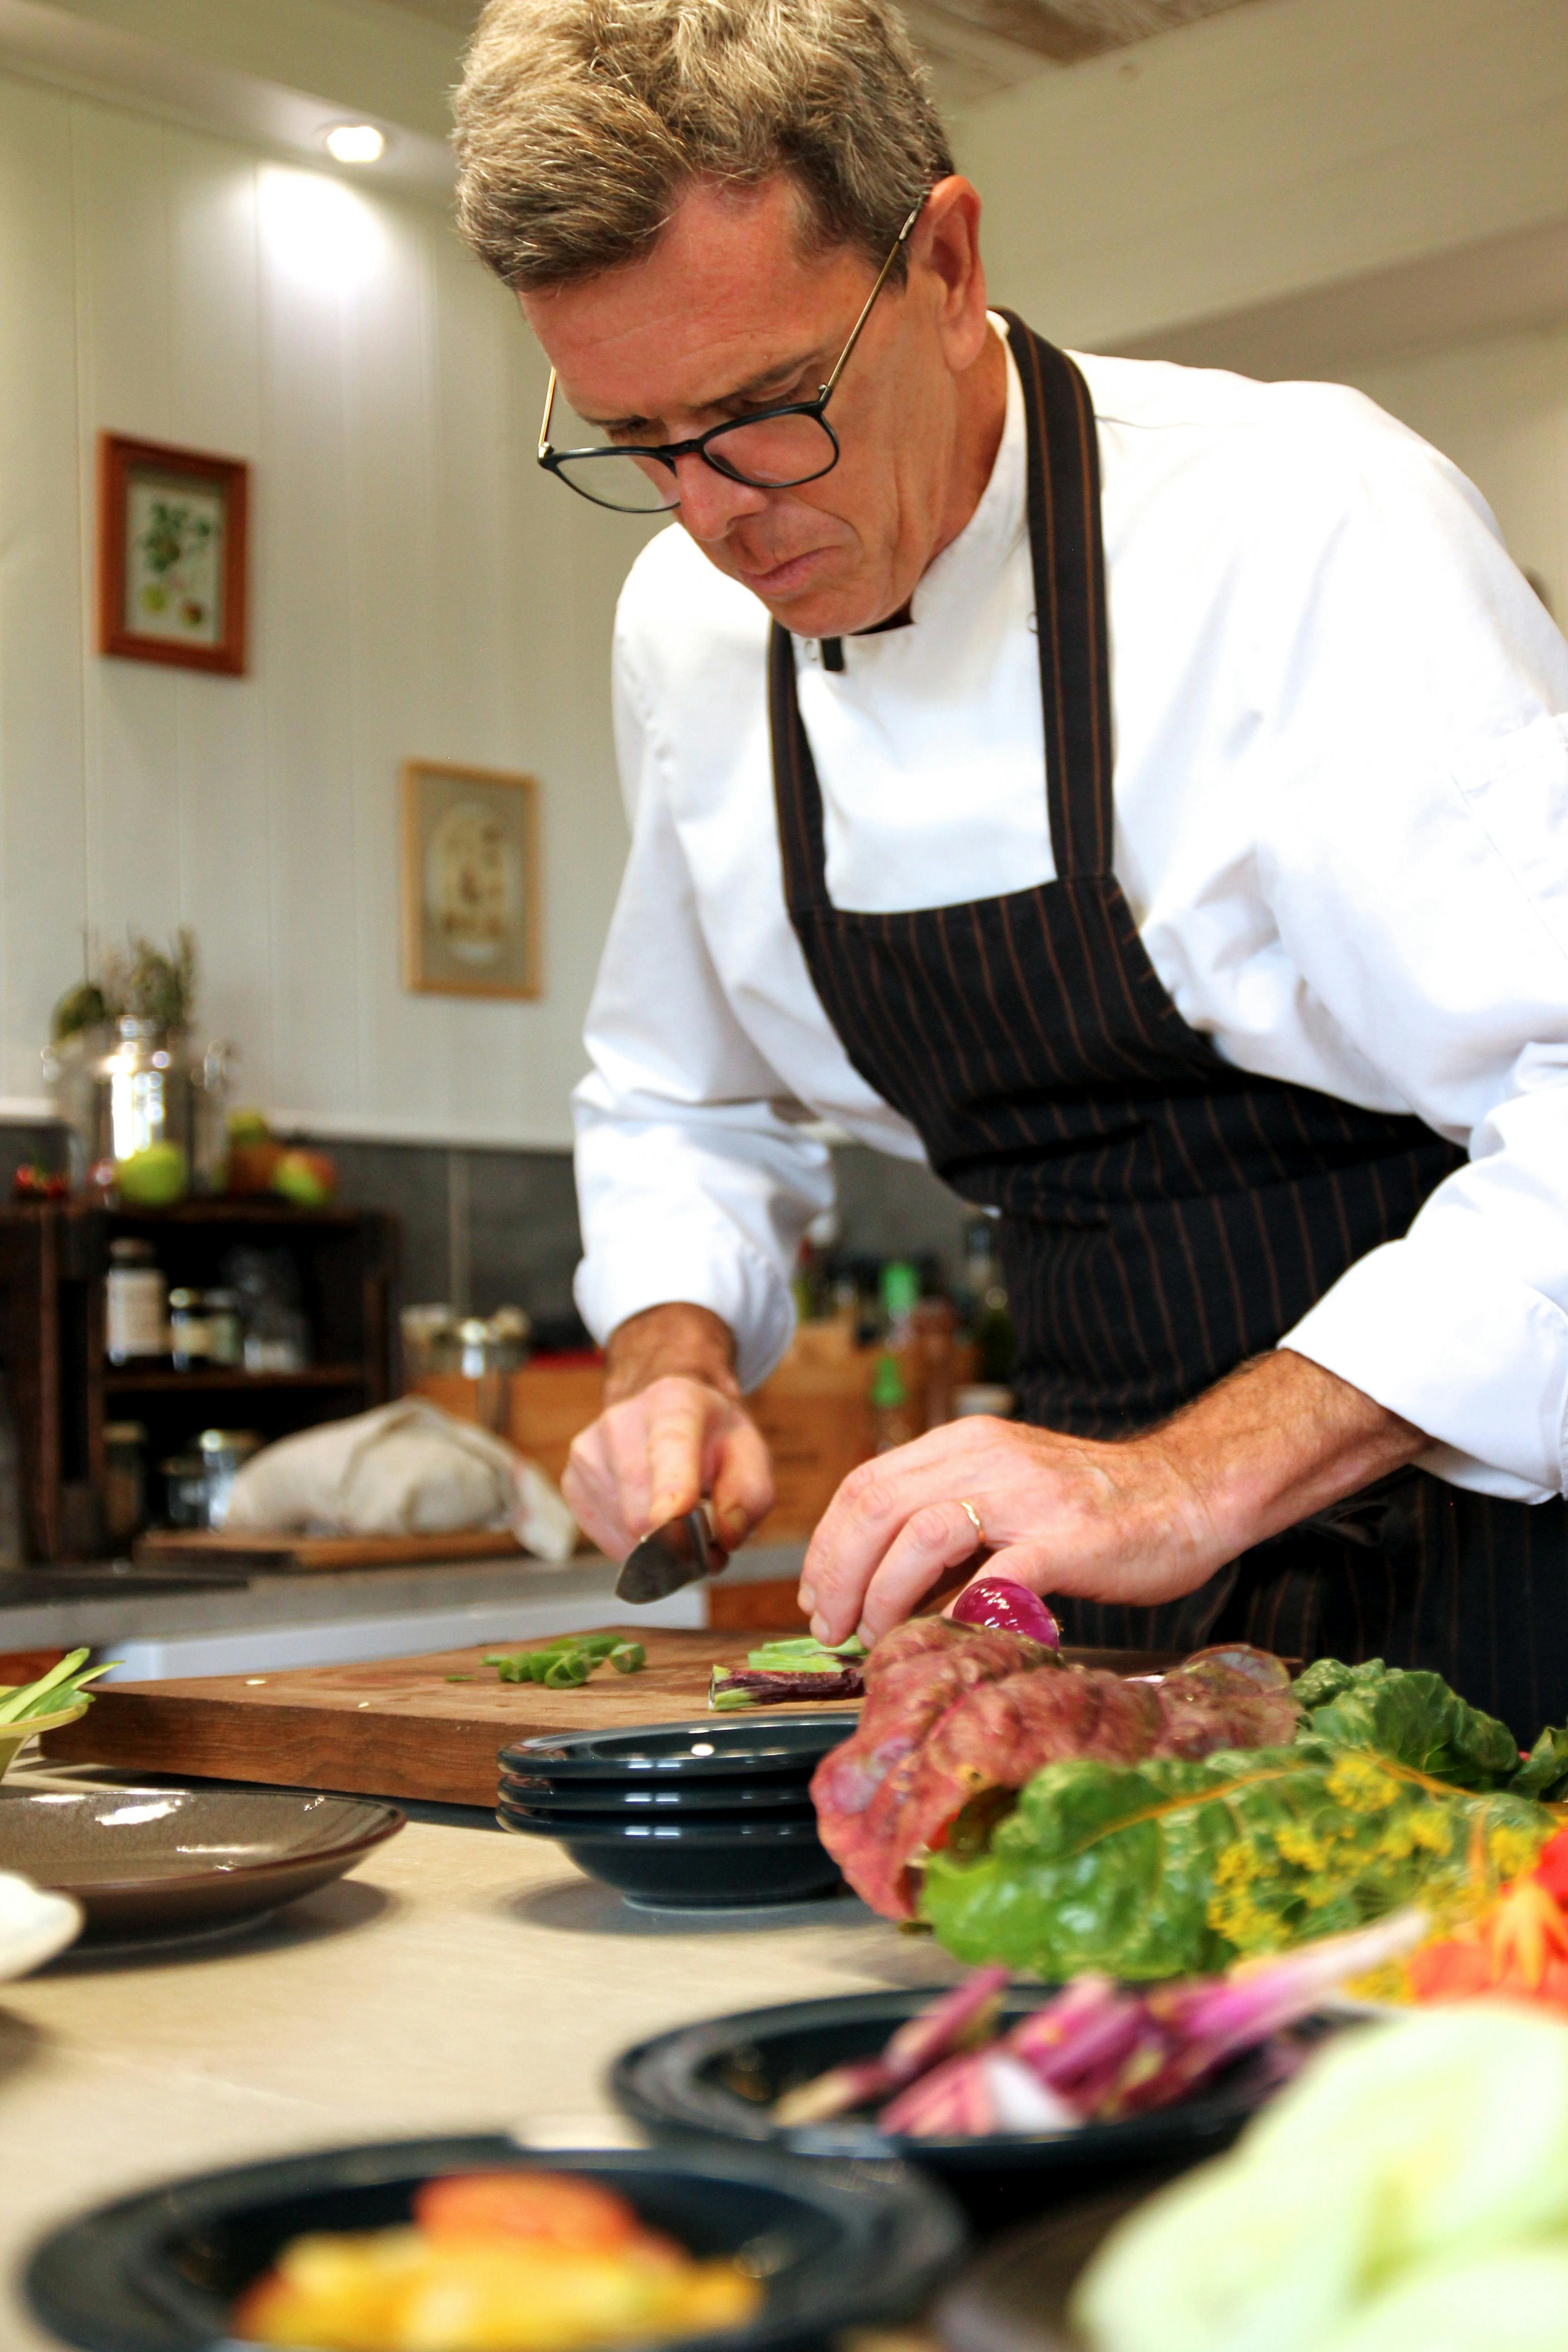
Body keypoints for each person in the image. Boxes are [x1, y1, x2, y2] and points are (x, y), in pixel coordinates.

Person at [453, 0, 1568, 1736]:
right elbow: (685, 1098)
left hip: (1491, 1540)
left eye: (763, 408)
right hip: (1075, 1571)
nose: (718, 513)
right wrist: (671, 1360)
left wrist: (1188, 1482)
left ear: (950, 264)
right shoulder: (686, 629)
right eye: (638, 443)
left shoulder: (1302, 521)